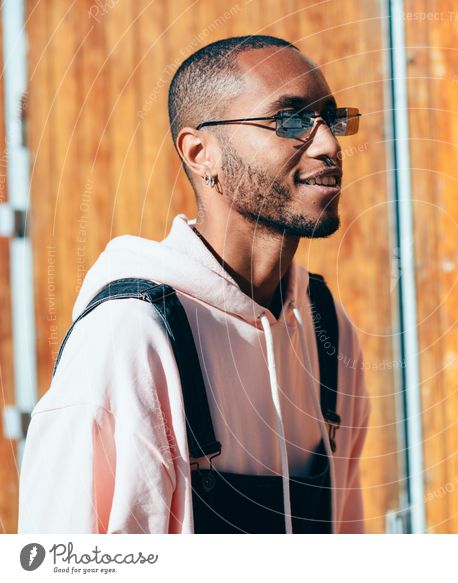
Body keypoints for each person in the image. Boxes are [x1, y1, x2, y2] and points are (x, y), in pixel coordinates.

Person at [18, 35, 371, 534]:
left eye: (330, 120)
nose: (329, 145)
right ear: (201, 152)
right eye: (289, 120)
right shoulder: (131, 338)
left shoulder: (328, 328)